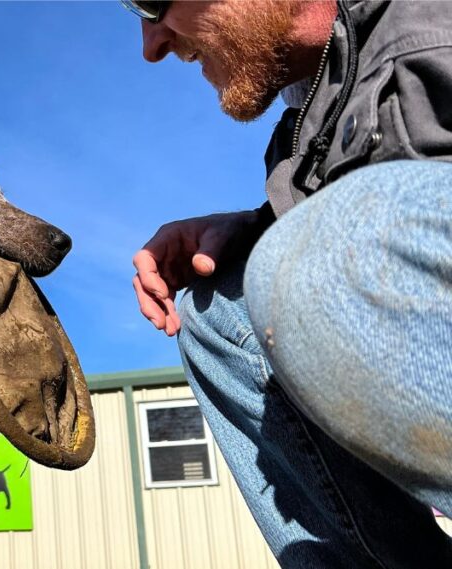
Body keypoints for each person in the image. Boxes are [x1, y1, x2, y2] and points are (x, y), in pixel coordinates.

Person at [123, 0, 452, 566]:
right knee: (217, 310)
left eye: (149, 3)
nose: (151, 46)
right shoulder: (301, 127)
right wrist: (254, 228)